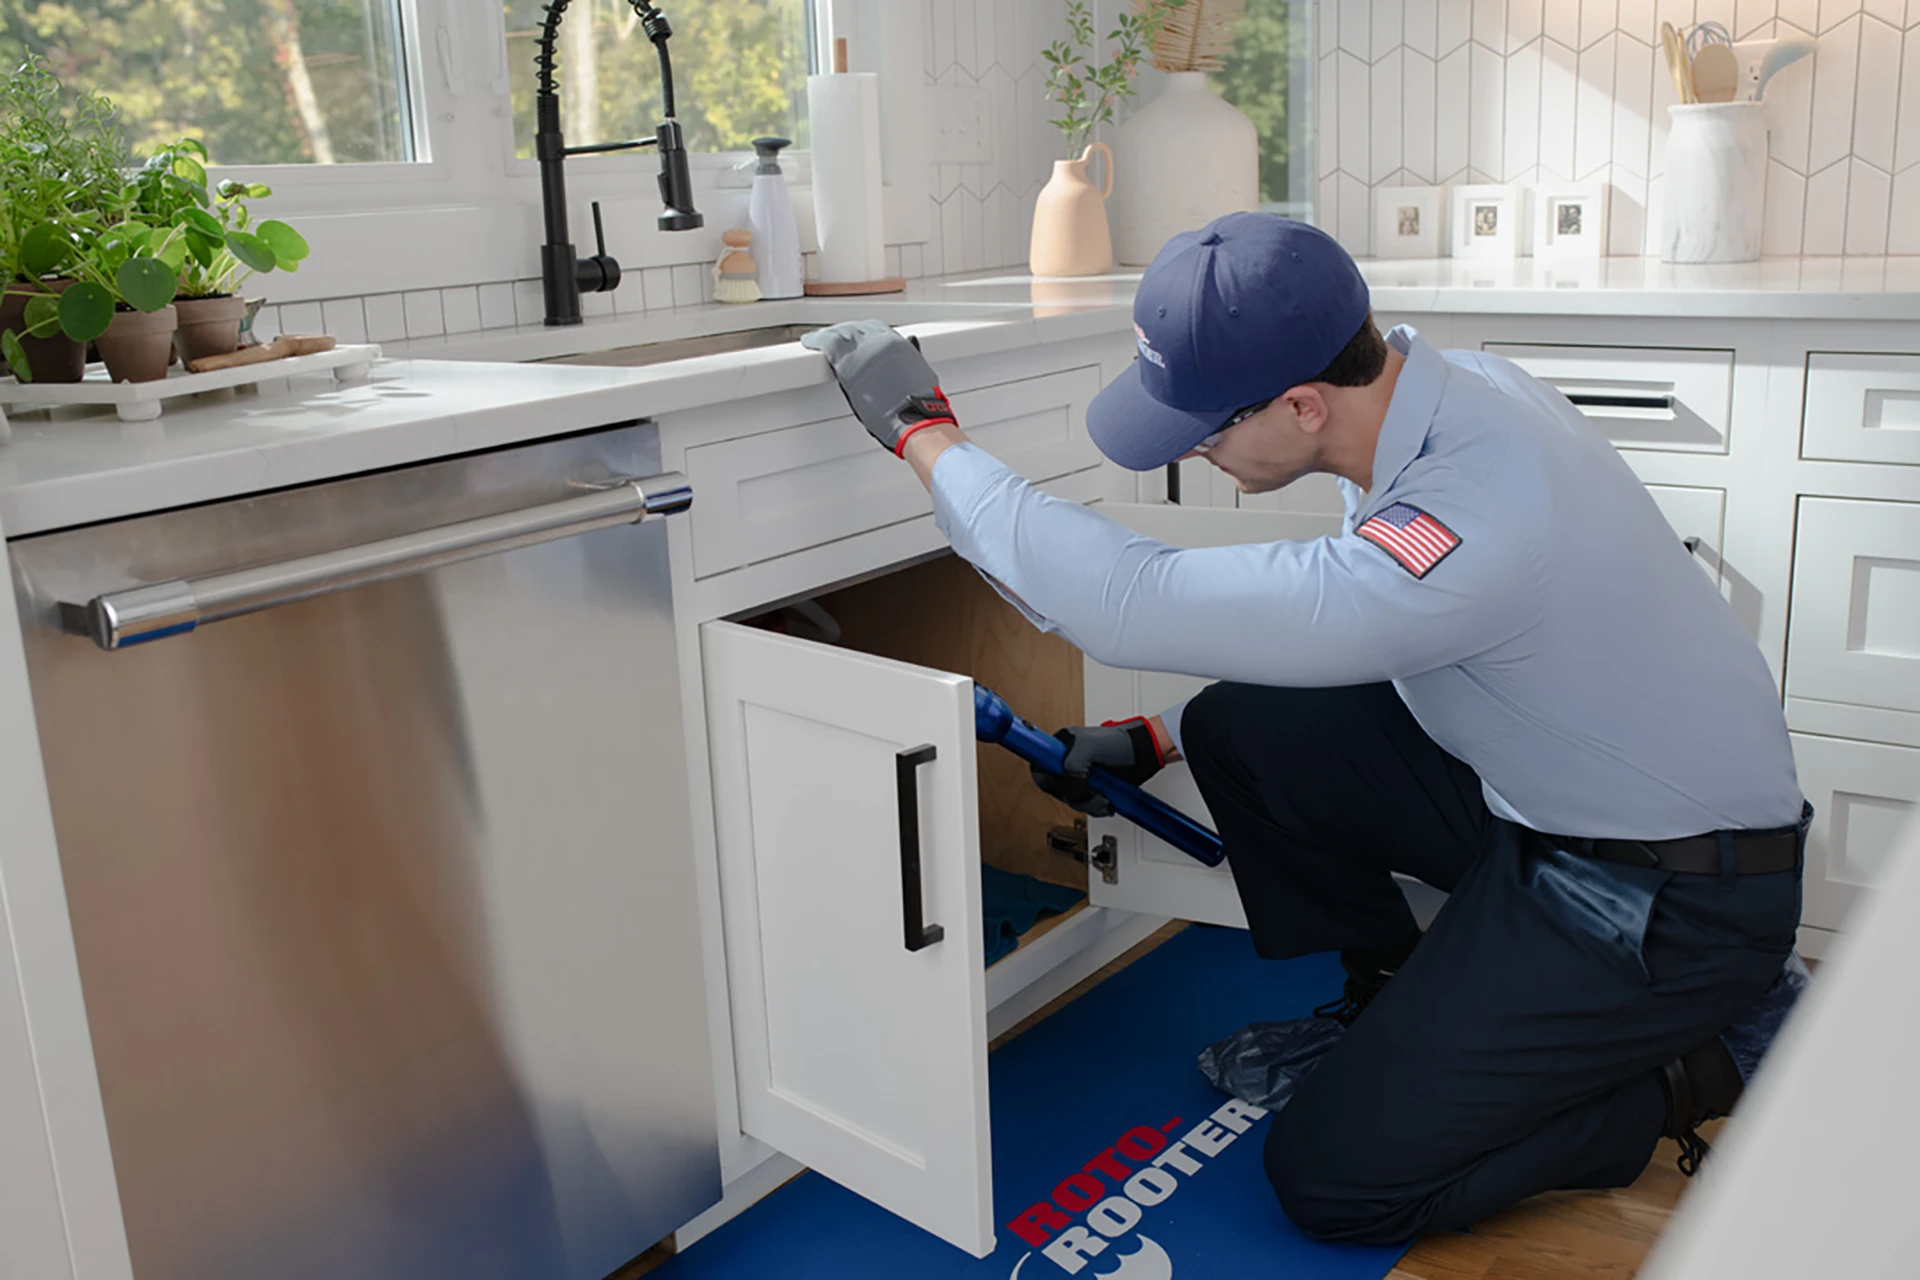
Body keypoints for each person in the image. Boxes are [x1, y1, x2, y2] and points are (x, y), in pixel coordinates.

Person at [799, 212, 1808, 1247]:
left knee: (1336, 1178)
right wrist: (1164, 735)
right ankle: (1391, 996)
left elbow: (1125, 597)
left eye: (1205, 427)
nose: (1191, 447)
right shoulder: (1445, 394)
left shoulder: (1472, 516)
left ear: (1302, 403)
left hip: (1662, 897)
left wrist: (924, 433)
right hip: (1562, 801)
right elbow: (1379, 648)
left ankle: (1706, 1056)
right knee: (1240, 721)